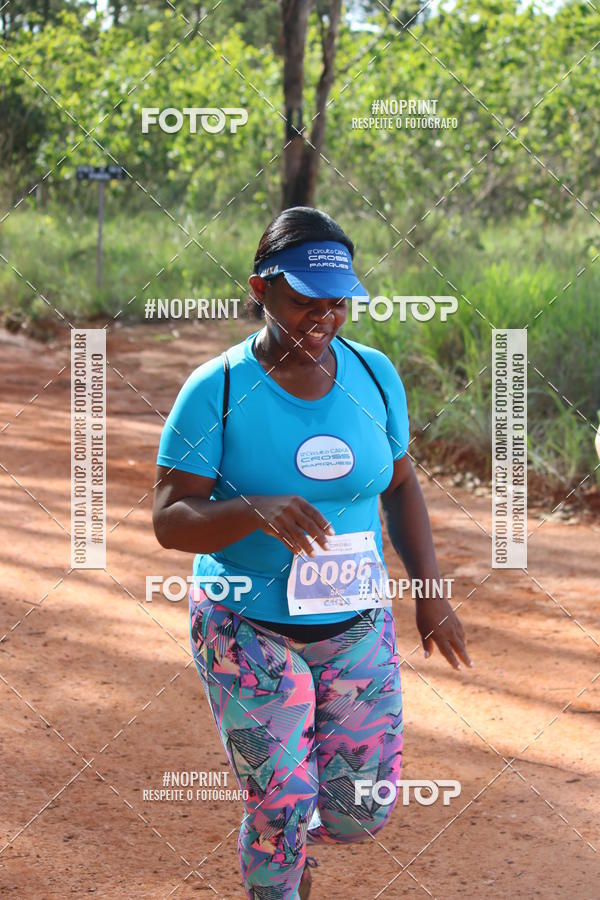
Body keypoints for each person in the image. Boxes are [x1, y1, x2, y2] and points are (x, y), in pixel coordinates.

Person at [152, 206, 472, 900]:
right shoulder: (219, 389)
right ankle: (281, 849)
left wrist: (431, 592)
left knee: (360, 811)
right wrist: (251, 511)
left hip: (355, 625)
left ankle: (292, 837)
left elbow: (402, 481)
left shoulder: (374, 374)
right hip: (246, 627)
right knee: (281, 803)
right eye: (302, 300)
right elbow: (170, 521)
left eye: (337, 301)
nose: (321, 317)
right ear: (260, 289)